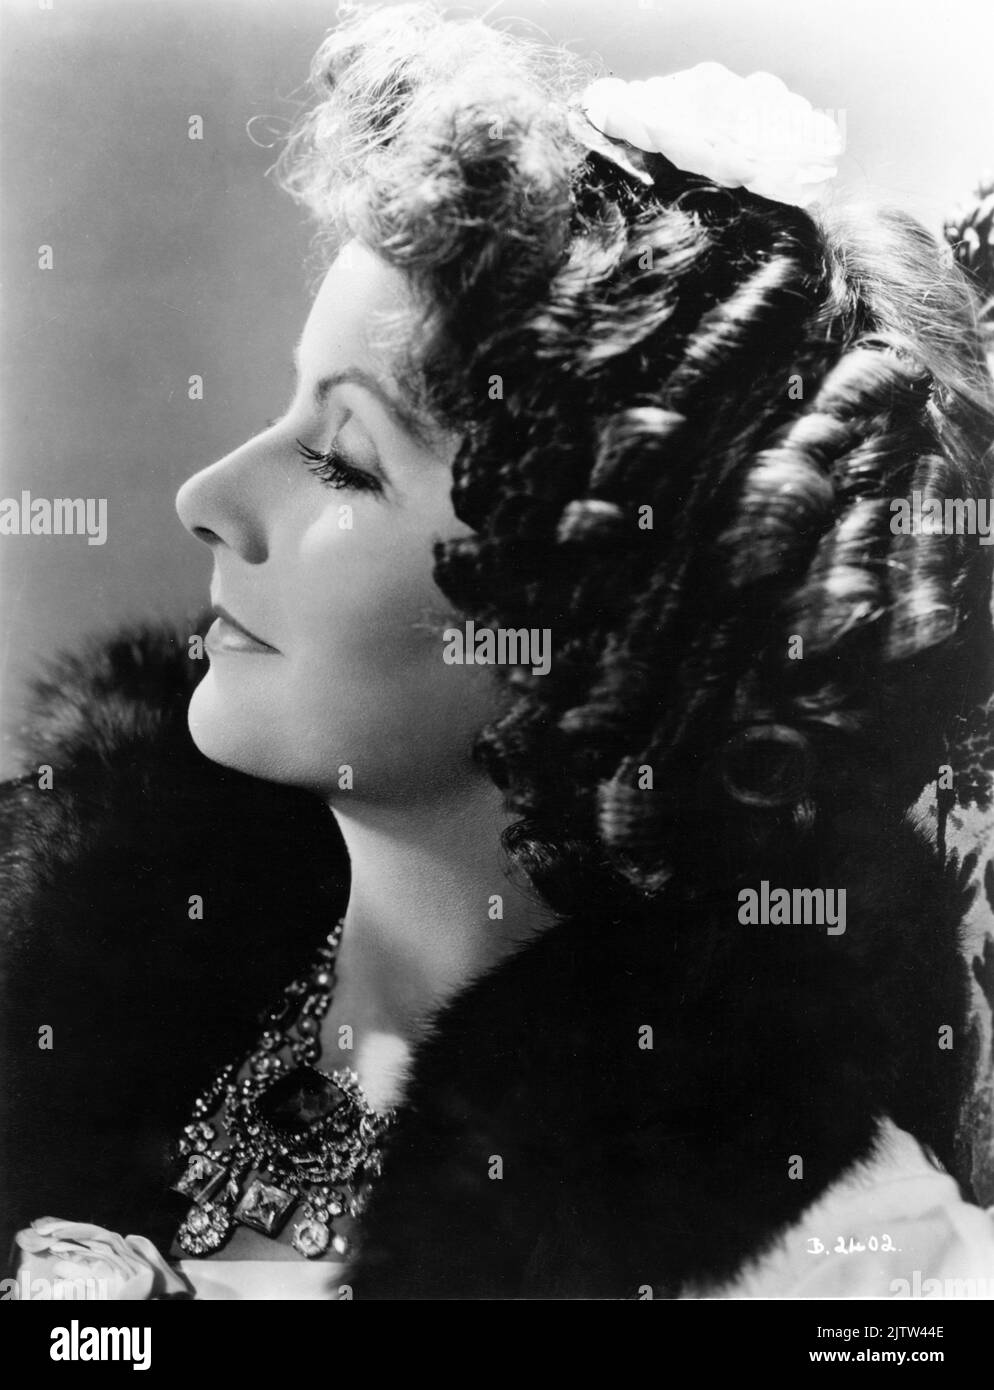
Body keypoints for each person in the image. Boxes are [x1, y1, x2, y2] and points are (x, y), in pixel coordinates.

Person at [3, 1, 994, 1300]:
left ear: (599, 618)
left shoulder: (856, 1276)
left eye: (345, 461)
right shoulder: (79, 991)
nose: (209, 496)